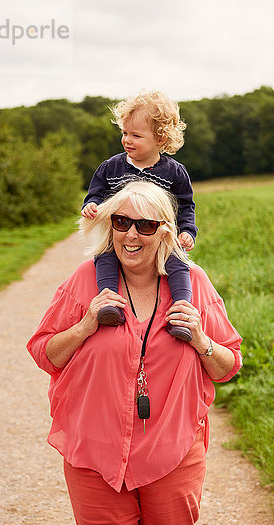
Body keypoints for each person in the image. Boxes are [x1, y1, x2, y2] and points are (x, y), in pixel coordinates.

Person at [27, 180, 242, 525]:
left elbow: (228, 365)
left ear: (165, 230)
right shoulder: (86, 280)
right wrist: (86, 324)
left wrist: (201, 339)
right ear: (109, 225)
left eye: (145, 225)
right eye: (122, 222)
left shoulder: (193, 284)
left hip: (172, 454)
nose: (130, 235)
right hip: (95, 456)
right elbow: (45, 352)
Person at [81, 90, 197, 343]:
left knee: (178, 264)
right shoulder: (111, 167)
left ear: (160, 138)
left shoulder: (175, 172)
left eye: (136, 135)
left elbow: (186, 206)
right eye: (124, 133)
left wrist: (187, 231)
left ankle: (181, 314)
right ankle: (109, 303)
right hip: (119, 235)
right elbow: (96, 193)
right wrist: (91, 205)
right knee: (105, 256)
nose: (127, 140)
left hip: (161, 238)